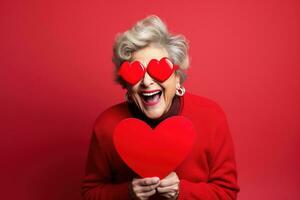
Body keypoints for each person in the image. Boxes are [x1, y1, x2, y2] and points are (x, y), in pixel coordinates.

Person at [81, 15, 240, 200]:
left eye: (159, 70)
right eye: (136, 72)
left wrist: (182, 192)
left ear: (177, 77)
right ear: (126, 85)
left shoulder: (211, 117)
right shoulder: (107, 125)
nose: (147, 82)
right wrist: (127, 193)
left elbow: (227, 193)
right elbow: (89, 194)